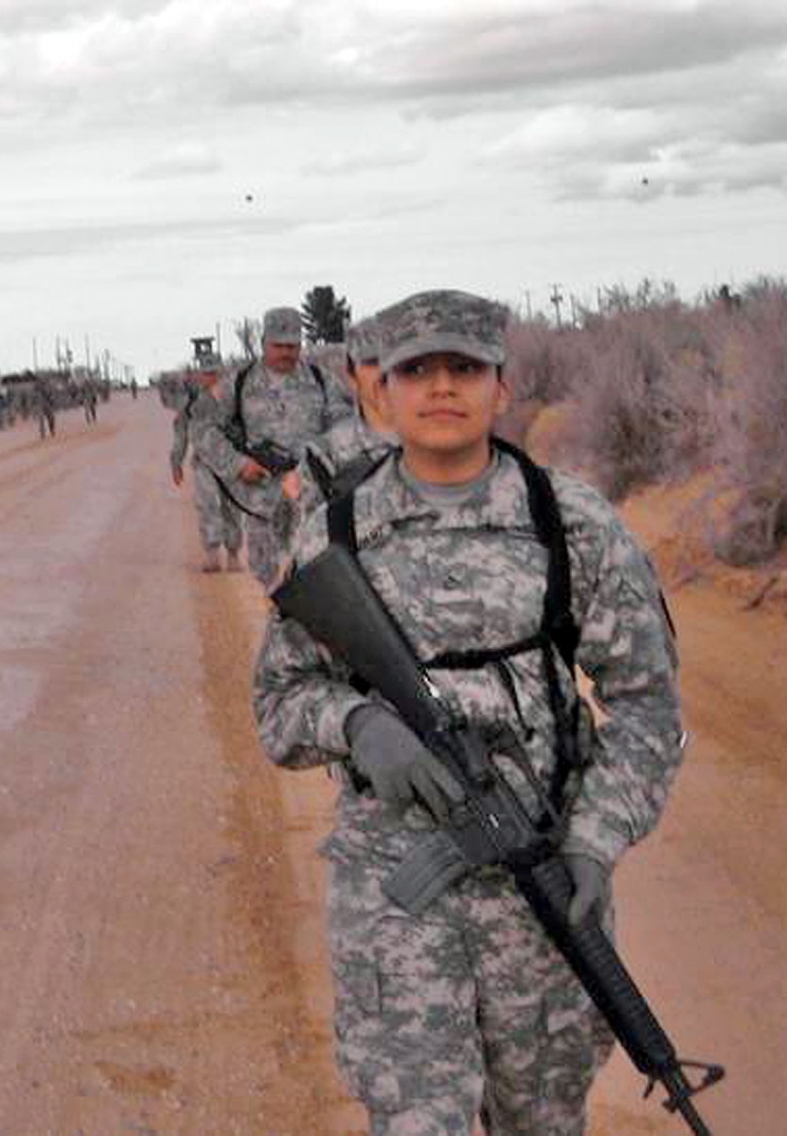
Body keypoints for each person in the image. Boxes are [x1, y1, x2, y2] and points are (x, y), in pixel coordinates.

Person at [252, 289, 684, 1135]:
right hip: (396, 896)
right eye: (418, 370)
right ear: (382, 391)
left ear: (502, 386)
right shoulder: (334, 534)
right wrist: (359, 726)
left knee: (544, 1122)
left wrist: (595, 844)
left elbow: (646, 706)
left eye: (464, 369)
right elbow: (280, 698)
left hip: (544, 893)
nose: (442, 388)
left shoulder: (569, 522)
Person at [197, 306, 352, 588]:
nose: (286, 353)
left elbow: (346, 428)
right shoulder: (239, 383)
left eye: (292, 346)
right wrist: (238, 464)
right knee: (270, 585)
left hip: (313, 503)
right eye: (278, 346)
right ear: (263, 343)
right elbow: (204, 429)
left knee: (318, 584)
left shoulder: (321, 380)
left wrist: (321, 460)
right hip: (262, 507)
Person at [298, 315, 396, 511]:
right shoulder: (323, 457)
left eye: (395, 360)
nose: (385, 371)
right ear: (351, 375)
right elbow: (305, 534)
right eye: (372, 362)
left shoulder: (450, 440)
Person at [171, 355, 243, 572]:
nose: (211, 378)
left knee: (232, 508)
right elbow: (181, 432)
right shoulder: (191, 402)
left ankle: (233, 554)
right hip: (204, 463)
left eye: (215, 373)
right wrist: (176, 461)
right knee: (208, 506)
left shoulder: (234, 398)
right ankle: (212, 554)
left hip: (231, 463)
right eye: (207, 373)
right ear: (199, 375)